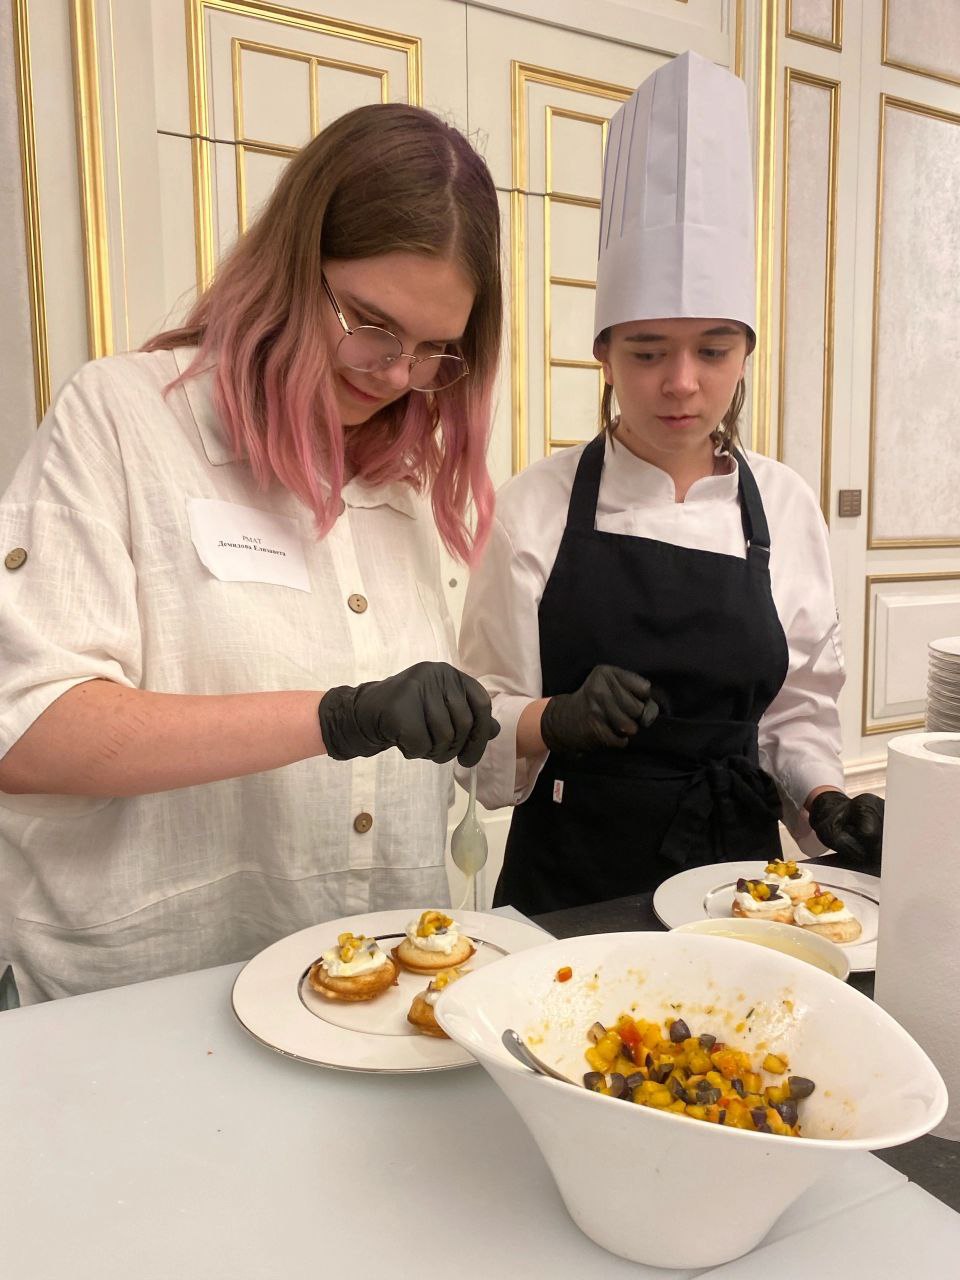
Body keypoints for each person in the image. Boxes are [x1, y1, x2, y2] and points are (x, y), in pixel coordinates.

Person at [0, 103, 502, 1004]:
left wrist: (525, 724)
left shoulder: (400, 483)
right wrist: (336, 718)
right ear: (290, 264)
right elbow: (29, 731)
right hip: (145, 1000)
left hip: (371, 993)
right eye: (371, 323)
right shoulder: (121, 419)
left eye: (434, 351)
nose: (396, 375)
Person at [458, 53, 883, 915]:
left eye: (713, 350)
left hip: (738, 888)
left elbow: (794, 714)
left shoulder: (784, 505)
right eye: (648, 351)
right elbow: (478, 730)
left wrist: (824, 800)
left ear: (746, 354)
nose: (681, 383)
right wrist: (553, 718)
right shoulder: (537, 504)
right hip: (569, 883)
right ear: (604, 355)